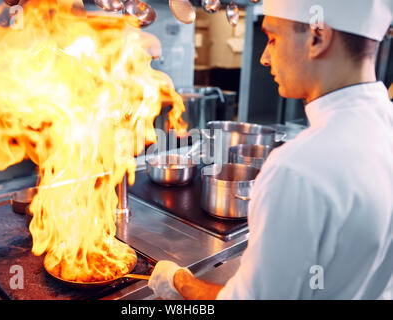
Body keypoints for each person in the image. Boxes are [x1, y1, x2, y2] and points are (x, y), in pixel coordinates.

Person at [148, 0, 393, 300]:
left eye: (274, 38)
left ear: (317, 37)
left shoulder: (297, 168)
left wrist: (179, 282)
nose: (264, 57)